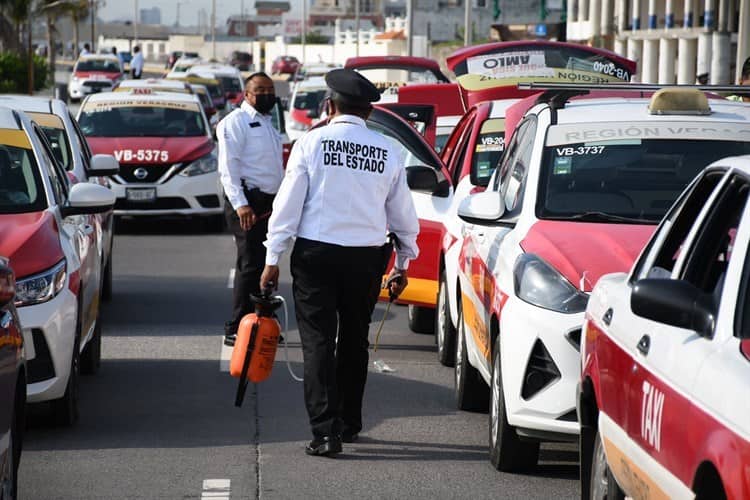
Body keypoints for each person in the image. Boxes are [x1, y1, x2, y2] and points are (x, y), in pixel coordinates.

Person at [260, 68, 419, 457]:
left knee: (317, 342)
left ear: (329, 106)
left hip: (317, 254)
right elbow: (402, 213)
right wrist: (404, 262)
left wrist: (272, 256)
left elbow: (288, 205)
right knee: (353, 340)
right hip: (366, 257)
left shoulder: (312, 144)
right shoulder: (387, 150)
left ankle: (325, 432)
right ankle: (349, 423)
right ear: (368, 113)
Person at [218, 72, 284, 347]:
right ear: (246, 94)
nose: (267, 94)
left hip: (269, 203)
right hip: (247, 203)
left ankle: (262, 324)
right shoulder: (235, 123)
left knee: (266, 264)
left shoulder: (269, 123)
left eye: (270, 89)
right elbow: (228, 168)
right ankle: (238, 326)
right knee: (251, 265)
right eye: (260, 90)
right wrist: (241, 204)